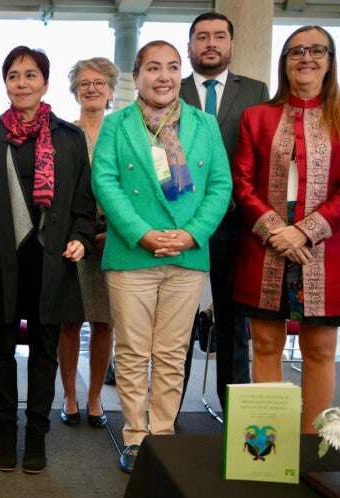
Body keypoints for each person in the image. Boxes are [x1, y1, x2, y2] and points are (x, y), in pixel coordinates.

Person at [92, 40, 231, 473]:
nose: (164, 76)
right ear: (138, 76)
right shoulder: (116, 125)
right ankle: (135, 434)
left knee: (172, 352)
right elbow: (106, 182)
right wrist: (144, 234)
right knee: (133, 350)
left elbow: (220, 187)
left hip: (187, 256)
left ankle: (164, 432)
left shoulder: (204, 124)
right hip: (133, 254)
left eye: (172, 67)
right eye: (153, 68)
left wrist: (191, 235)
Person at [0, 46, 96, 474]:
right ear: (6, 84)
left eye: (31, 75)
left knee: (43, 352)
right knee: (0, 349)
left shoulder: (68, 138)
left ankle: (36, 434)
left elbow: (83, 203)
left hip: (50, 259)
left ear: (45, 82)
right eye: (14, 76)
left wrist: (79, 237)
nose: (22, 82)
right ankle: (5, 432)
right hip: (0, 259)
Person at [233, 25, 340, 434]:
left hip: (326, 248)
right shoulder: (256, 117)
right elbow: (241, 182)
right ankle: (270, 449)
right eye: (296, 51)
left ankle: (312, 445)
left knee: (319, 349)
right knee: (264, 344)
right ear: (284, 61)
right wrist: (278, 231)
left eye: (317, 50)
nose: (306, 58)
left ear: (330, 60)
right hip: (265, 244)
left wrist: (306, 230)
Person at [179, 12, 270, 412]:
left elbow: (263, 157)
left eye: (218, 36)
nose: (210, 43)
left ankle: (235, 413)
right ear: (190, 46)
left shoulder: (255, 91)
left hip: (238, 224)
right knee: (177, 323)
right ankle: (167, 413)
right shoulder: (171, 89)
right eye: (202, 37)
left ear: (231, 44)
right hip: (182, 223)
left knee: (235, 324)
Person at [59, 57, 118, 429]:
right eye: (84, 83)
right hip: (72, 238)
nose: (92, 88)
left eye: (99, 82)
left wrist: (115, 229)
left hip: (115, 237)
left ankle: (95, 395)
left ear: (112, 90)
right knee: (69, 320)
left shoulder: (124, 131)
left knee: (103, 322)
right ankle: (68, 395)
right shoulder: (64, 132)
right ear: (75, 90)